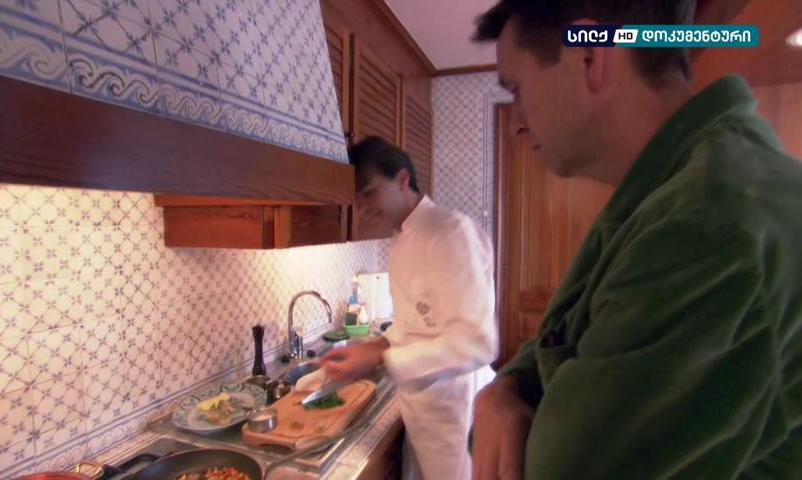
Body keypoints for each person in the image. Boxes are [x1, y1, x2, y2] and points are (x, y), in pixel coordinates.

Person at [468, 1, 802, 479]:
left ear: (589, 57)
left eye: (517, 88)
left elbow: (555, 468)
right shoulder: (666, 191)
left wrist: (504, 396)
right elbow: (554, 340)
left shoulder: (707, 222)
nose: (516, 120)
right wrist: (502, 392)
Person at [320, 136, 498, 480]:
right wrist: (372, 346)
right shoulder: (401, 238)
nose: (362, 206)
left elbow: (478, 342)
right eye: (357, 199)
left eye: (369, 192)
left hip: (457, 415)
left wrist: (383, 359)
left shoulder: (450, 233)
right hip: (422, 410)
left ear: (402, 179)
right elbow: (415, 323)